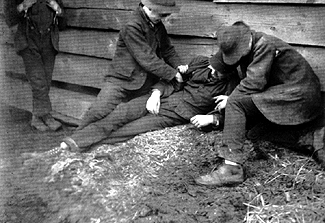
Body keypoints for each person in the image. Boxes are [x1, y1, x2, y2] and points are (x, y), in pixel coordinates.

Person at [195, 21, 324, 187]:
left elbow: (254, 84)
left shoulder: (264, 45)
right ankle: (310, 138)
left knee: (236, 103)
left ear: (246, 40)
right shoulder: (249, 43)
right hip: (285, 94)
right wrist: (216, 67)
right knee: (256, 134)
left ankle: (231, 169)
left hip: (300, 95)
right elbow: (226, 58)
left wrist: (230, 100)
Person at [47, 54, 239, 153]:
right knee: (121, 113)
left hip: (174, 115)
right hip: (162, 98)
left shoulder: (232, 86)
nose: (213, 72)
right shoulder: (200, 63)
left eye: (219, 71)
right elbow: (173, 80)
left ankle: (85, 147)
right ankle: (74, 141)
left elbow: (231, 114)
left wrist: (211, 119)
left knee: (130, 129)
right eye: (213, 67)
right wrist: (155, 93)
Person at [71, 0, 186, 137]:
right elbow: (146, 58)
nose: (163, 18)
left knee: (127, 117)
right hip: (121, 80)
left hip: (144, 82)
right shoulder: (132, 25)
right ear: (150, 8)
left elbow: (167, 50)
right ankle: (75, 139)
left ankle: (96, 142)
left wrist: (179, 66)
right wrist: (172, 74)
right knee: (98, 111)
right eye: (162, 14)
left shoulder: (156, 24)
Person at [14, 0, 67, 132]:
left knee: (45, 81)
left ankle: (37, 117)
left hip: (48, 45)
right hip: (29, 44)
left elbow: (64, 24)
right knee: (38, 82)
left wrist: (58, 10)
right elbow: (10, 17)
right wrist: (22, 7)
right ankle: (46, 116)